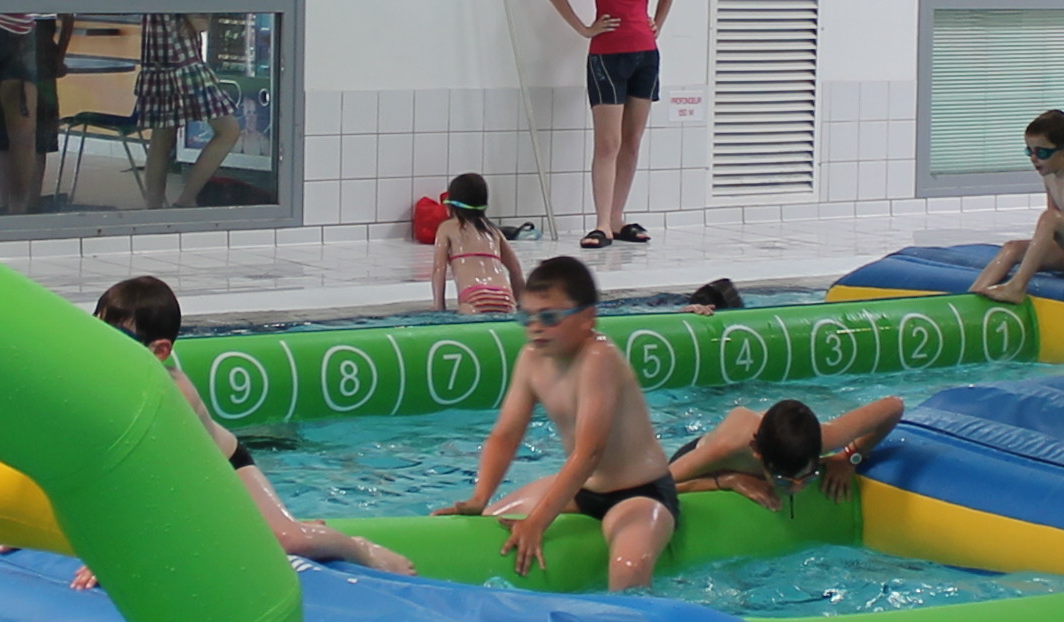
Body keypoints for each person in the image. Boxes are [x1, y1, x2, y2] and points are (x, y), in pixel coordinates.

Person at [91, 278, 413, 574]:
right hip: (199, 480)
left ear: (159, 350)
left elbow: (156, 482)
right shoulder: (112, 378)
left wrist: (117, 554)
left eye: (116, 337)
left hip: (229, 469)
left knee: (289, 540)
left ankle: (359, 549)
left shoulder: (174, 394)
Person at [440, 255, 684, 588]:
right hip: (582, 490)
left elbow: (590, 453)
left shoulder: (599, 358)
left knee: (629, 566)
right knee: (489, 522)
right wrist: (479, 497)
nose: (536, 327)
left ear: (587, 318)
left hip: (639, 495)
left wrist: (538, 522)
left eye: (550, 317)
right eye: (527, 317)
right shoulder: (532, 359)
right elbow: (505, 435)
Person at [548, 0, 671, 247]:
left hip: (645, 54)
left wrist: (657, 25)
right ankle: (601, 222)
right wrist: (586, 29)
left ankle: (618, 218)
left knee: (632, 141)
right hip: (607, 56)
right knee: (608, 143)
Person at [130, 0, 266, 209]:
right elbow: (198, 20)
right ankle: (187, 198)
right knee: (228, 129)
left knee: (162, 138)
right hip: (182, 64)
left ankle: (154, 204)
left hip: (157, 65)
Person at [968, 108, 1064, 301]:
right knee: (1012, 248)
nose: (1034, 159)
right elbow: (1054, 227)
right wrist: (1040, 252)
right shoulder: (1050, 173)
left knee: (1050, 217)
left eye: (1042, 152)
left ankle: (1016, 288)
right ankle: (972, 298)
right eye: (1030, 151)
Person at [666, 394, 901, 508]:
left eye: (808, 478)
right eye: (784, 482)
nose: (796, 490)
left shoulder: (823, 438)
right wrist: (728, 480)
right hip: (703, 468)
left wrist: (849, 457)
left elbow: (894, 407)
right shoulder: (728, 447)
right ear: (756, 453)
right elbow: (651, 486)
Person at [0, 0, 67, 216]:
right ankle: (7, 200)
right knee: (6, 131)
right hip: (0, 37)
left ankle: (24, 204)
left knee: (28, 127)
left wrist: (61, 50)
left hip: (33, 39)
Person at [428, 172, 525, 317]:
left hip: (474, 299)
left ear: (451, 203)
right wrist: (521, 306)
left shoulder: (447, 228)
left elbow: (438, 270)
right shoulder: (493, 231)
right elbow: (516, 269)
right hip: (505, 298)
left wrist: (439, 309)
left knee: (468, 315)